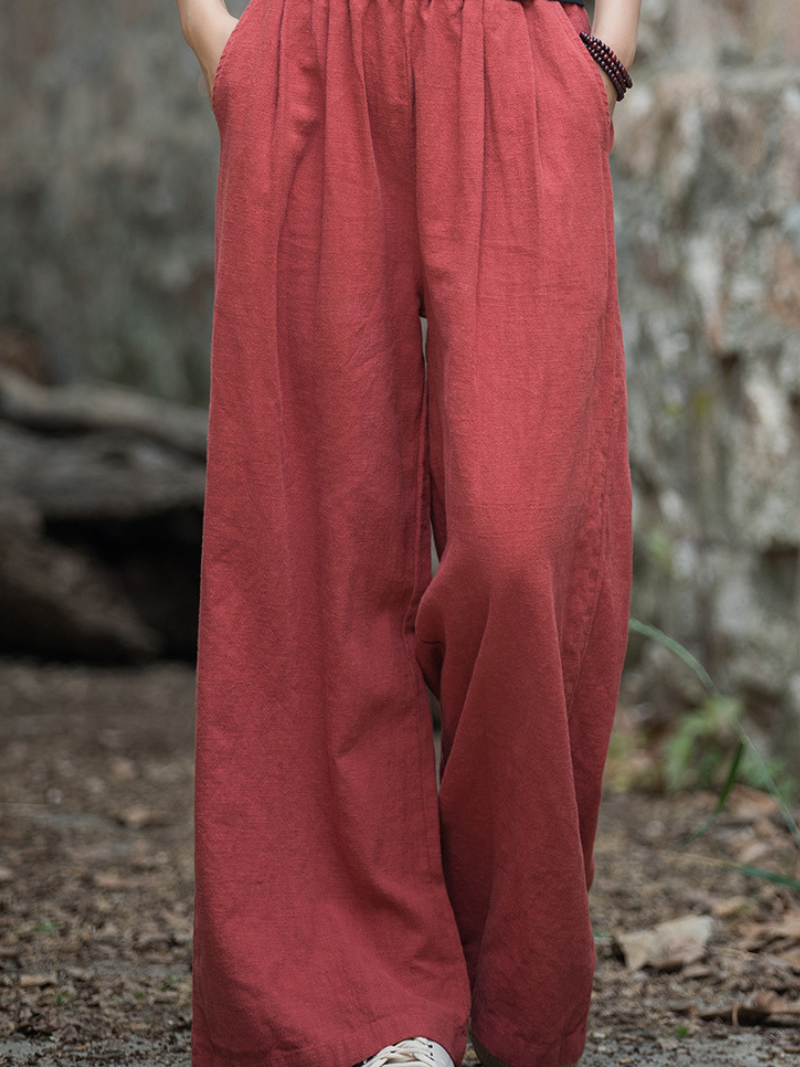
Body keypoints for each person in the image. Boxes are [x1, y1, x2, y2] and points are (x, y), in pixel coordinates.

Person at [173, 0, 641, 1064]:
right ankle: (355, 1000)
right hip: (309, 58)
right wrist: (220, 42)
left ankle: (520, 976)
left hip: (520, 59)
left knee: (519, 547)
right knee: (309, 546)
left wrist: (605, 53)